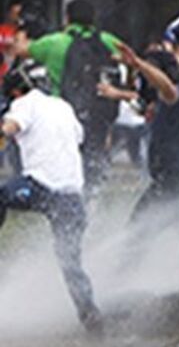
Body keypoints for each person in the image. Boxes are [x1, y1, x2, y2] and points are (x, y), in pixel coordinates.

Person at [0, 60, 103, 333]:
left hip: (41, 188)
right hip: (73, 198)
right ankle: (92, 318)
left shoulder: (25, 103)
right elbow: (78, 138)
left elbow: (9, 128)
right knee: (70, 264)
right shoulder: (63, 106)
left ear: (17, 92)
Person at [21, 0, 122, 195]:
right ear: (93, 19)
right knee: (92, 167)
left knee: (66, 167)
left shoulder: (54, 42)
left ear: (67, 18)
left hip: (65, 116)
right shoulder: (108, 41)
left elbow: (22, 50)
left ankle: (66, 204)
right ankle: (92, 203)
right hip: (99, 116)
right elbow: (130, 61)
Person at [117, 45, 179, 226]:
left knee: (136, 236)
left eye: (150, 73)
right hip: (167, 183)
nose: (146, 80)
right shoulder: (164, 102)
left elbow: (167, 87)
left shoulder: (177, 96)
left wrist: (138, 63)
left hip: (175, 185)